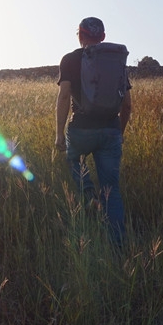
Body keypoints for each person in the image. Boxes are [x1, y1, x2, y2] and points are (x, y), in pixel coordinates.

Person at [54, 17, 132, 244]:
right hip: (111, 130)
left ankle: (88, 195)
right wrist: (120, 133)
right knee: (112, 191)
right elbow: (127, 104)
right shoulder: (116, 61)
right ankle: (118, 247)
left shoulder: (69, 59)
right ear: (103, 37)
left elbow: (64, 96)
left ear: (79, 35)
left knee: (73, 160)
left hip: (81, 129)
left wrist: (59, 134)